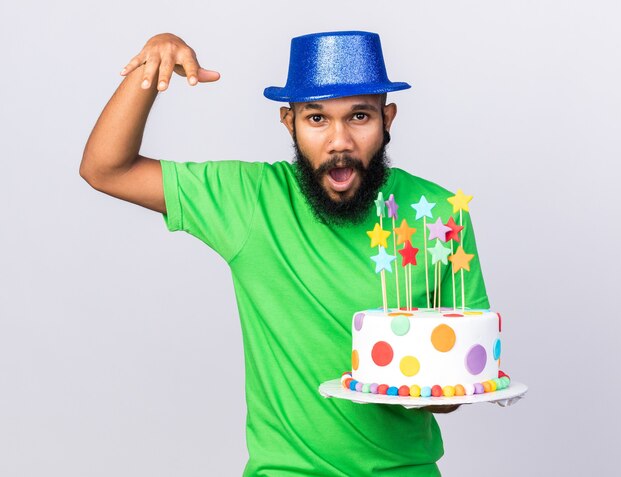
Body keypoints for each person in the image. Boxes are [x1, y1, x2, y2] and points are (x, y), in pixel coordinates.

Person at [80, 30, 490, 477]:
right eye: (316, 119)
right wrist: (150, 64)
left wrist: (416, 378)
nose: (339, 141)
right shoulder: (251, 201)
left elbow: (455, 388)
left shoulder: (441, 216)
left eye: (359, 116)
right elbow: (106, 169)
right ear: (288, 122)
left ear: (387, 119)